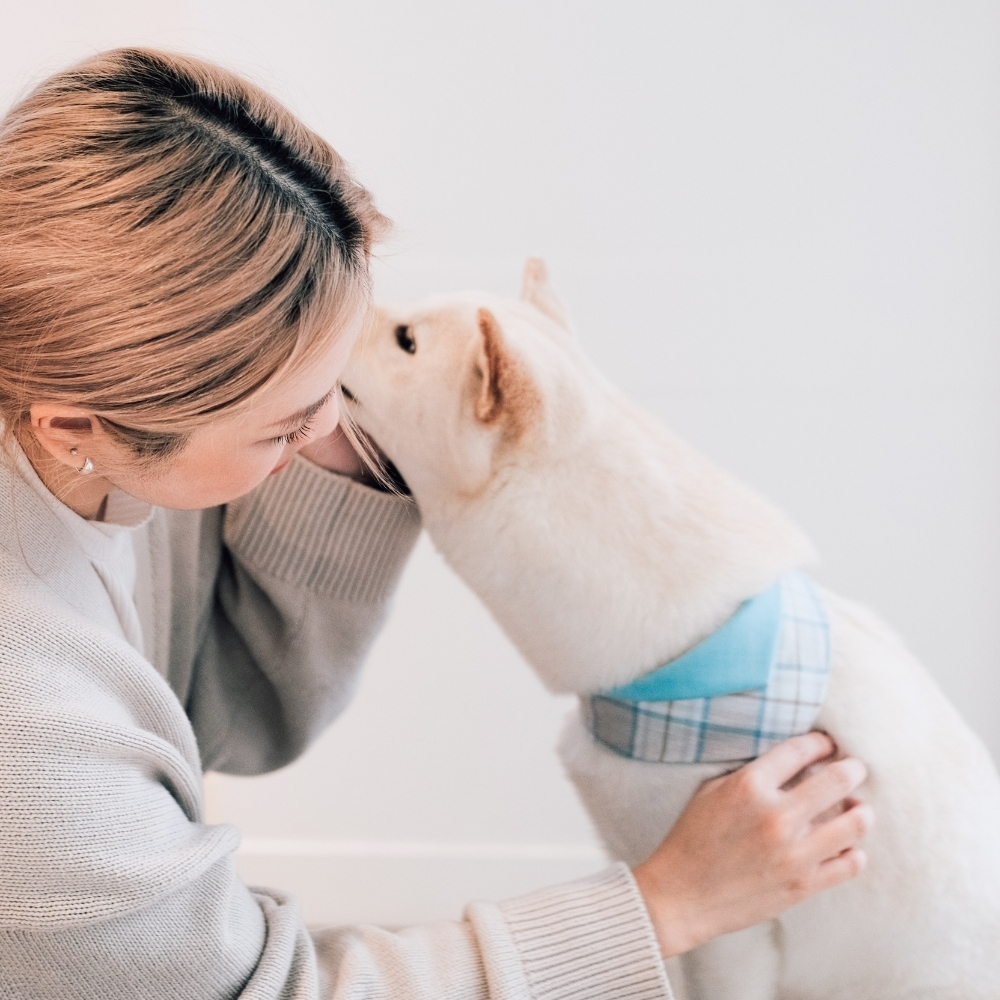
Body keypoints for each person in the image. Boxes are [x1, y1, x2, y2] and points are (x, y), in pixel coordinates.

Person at [0, 48, 872, 999]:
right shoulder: (26, 728)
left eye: (333, 380)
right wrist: (668, 905)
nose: (332, 427)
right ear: (77, 427)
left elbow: (210, 712)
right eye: (286, 424)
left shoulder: (74, 409)